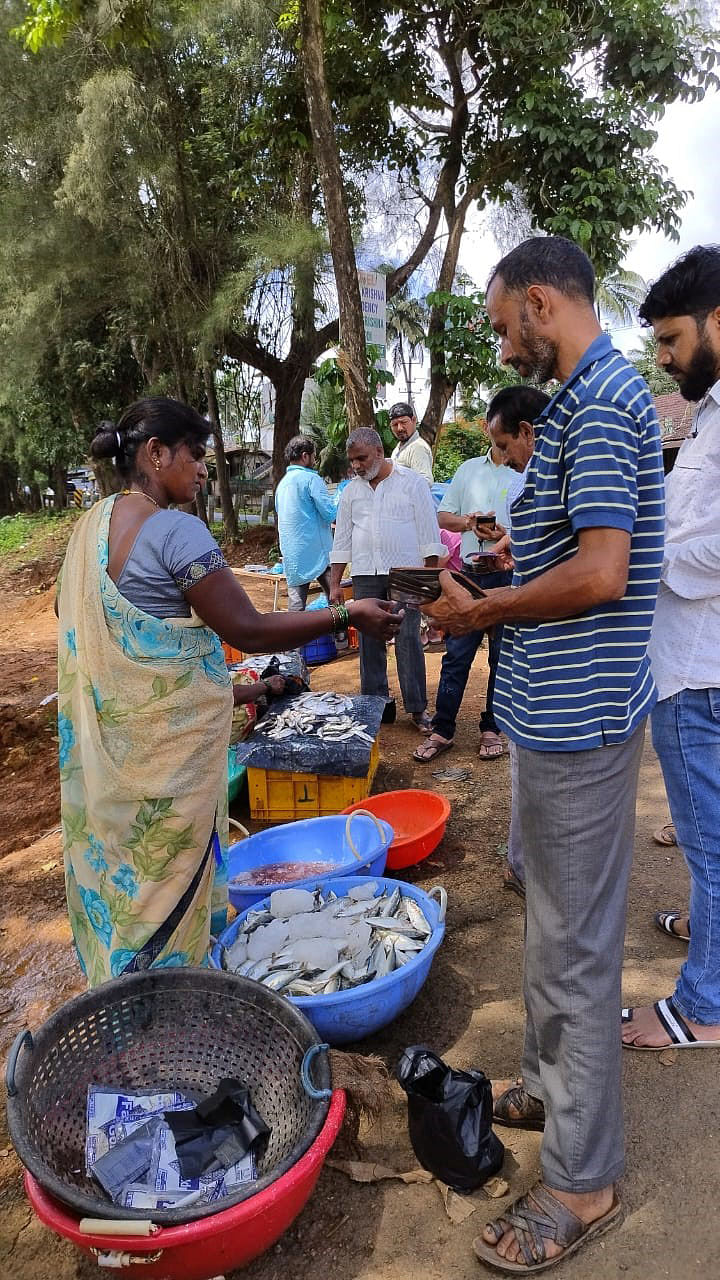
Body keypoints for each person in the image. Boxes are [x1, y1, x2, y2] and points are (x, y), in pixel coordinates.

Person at [424, 236, 664, 1273]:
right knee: (551, 934)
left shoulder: (606, 400)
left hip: (582, 721)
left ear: (536, 303)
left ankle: (582, 1180)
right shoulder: (578, 403)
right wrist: (506, 560)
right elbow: (572, 542)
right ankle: (548, 1084)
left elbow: (604, 571)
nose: (502, 344)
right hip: (551, 712)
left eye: (499, 326)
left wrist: (492, 602)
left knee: (573, 952)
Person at [56, 397, 402, 987]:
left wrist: (251, 689)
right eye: (193, 454)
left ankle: (125, 997)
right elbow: (247, 627)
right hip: (167, 772)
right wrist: (347, 614)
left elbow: (104, 644)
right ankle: (174, 1007)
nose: (201, 469)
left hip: (111, 766)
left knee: (129, 888)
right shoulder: (175, 530)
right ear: (155, 453)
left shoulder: (88, 529)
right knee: (169, 893)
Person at [621, 246, 720, 1049]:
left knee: (709, 840)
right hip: (696, 659)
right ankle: (709, 932)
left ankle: (703, 1008)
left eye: (672, 338)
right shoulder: (711, 411)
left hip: (697, 670)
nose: (663, 356)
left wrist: (635, 556)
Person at [414, 394, 547, 764]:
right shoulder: (469, 470)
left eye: (504, 443)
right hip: (473, 573)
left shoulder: (532, 469)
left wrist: (510, 536)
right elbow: (443, 517)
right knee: (457, 654)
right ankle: (443, 728)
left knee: (503, 657)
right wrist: (471, 523)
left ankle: (493, 726)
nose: (503, 453)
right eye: (497, 442)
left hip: (514, 574)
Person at [476, 385, 551, 894]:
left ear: (527, 433)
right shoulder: (536, 481)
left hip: (547, 649)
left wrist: (490, 604)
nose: (502, 457)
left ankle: (530, 868)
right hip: (531, 647)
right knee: (525, 765)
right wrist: (514, 558)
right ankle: (521, 864)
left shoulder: (550, 480)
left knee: (538, 772)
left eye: (504, 445)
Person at [329, 426, 443, 729]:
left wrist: (429, 580)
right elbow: (342, 539)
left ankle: (418, 709)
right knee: (369, 641)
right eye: (353, 460)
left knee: (408, 639)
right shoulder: (351, 491)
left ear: (379, 452)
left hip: (405, 573)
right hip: (366, 572)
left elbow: (429, 534)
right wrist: (335, 582)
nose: (357, 466)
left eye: (362, 458)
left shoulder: (412, 483)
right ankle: (375, 706)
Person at [274, 435, 336, 611]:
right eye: (314, 456)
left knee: (296, 607)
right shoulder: (311, 480)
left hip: (292, 555)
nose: (315, 460)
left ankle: (295, 638)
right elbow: (330, 513)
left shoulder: (282, 485)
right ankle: (340, 638)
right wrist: (340, 499)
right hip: (318, 552)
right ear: (305, 456)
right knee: (335, 599)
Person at [388, 401, 434, 483]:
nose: (399, 428)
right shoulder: (399, 448)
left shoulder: (417, 447)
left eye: (403, 422)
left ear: (414, 420)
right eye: (395, 424)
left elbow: (426, 482)